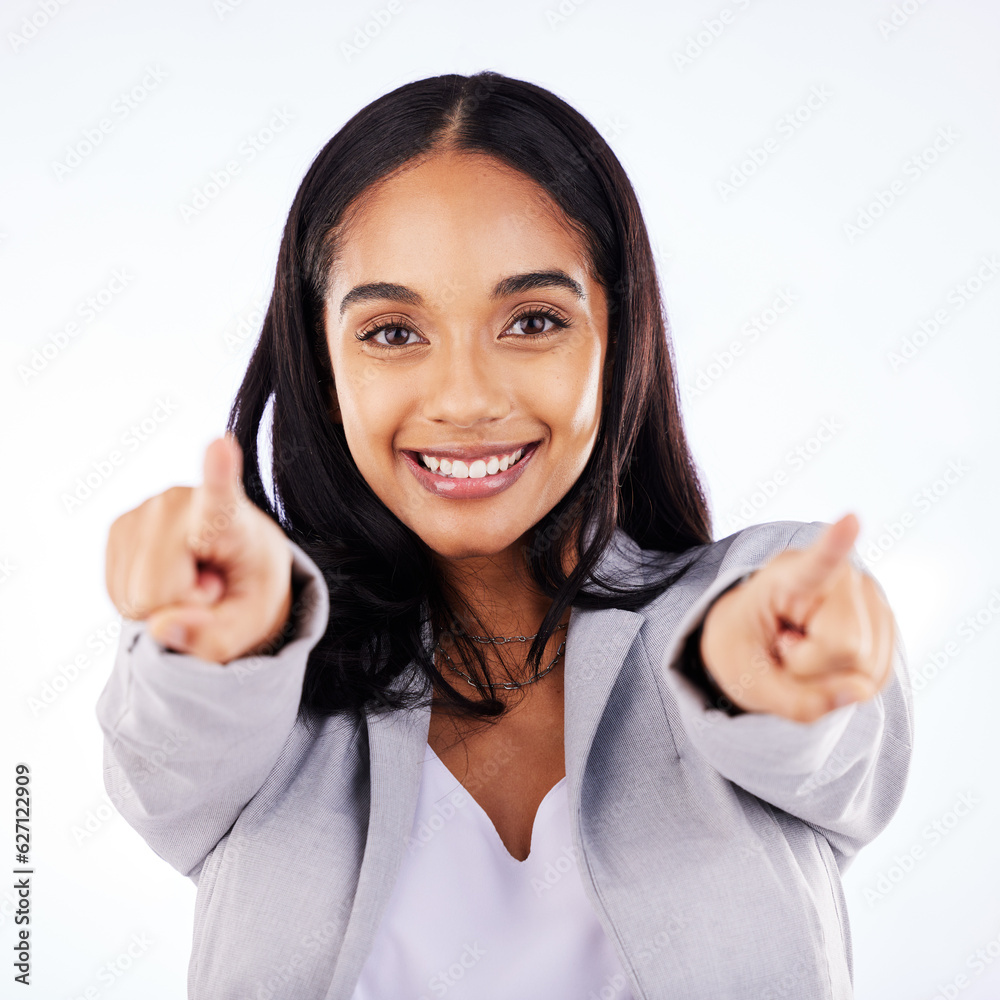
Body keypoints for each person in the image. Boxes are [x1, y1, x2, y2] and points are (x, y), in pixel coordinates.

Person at [96, 71, 913, 999]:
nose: (466, 399)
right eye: (393, 332)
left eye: (532, 320)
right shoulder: (271, 686)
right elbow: (170, 751)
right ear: (322, 363)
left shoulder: (758, 598)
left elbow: (839, 741)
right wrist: (205, 638)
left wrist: (752, 673)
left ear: (620, 335)